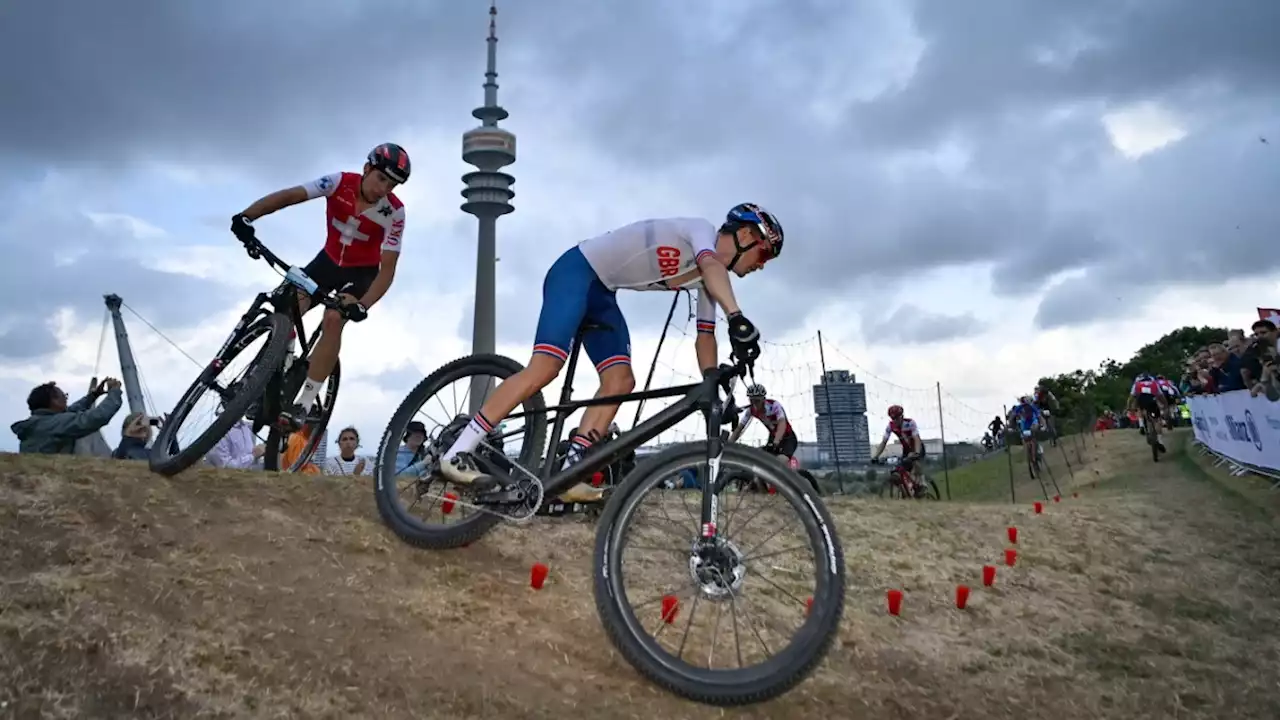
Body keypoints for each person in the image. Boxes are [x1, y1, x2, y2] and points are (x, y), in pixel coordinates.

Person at [437, 205, 783, 503]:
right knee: (545, 367)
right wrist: (736, 317)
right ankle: (459, 449)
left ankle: (570, 471)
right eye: (764, 253)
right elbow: (711, 269)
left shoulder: (711, 280)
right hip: (576, 271)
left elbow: (705, 337)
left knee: (620, 379)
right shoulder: (700, 232)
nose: (762, 265)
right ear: (746, 235)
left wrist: (712, 386)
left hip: (603, 292)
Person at [230, 143, 411, 431]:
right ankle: (265, 374)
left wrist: (363, 305)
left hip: (361, 274)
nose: (383, 189)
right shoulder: (339, 182)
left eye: (391, 185)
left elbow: (387, 270)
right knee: (285, 305)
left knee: (334, 317)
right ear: (366, 169)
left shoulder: (395, 213)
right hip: (325, 264)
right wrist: (247, 216)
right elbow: (290, 196)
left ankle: (305, 401)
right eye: (381, 179)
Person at [12, 378, 123, 454]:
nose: (66, 399)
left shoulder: (40, 422)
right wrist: (114, 392)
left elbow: (69, 412)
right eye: (64, 396)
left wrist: (93, 396)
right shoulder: (55, 424)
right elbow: (97, 417)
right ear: (54, 402)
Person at [727, 384, 797, 461]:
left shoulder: (774, 405)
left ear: (763, 399)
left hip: (788, 438)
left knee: (780, 460)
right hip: (773, 437)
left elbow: (782, 424)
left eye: (757, 401)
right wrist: (729, 444)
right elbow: (739, 428)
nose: (755, 404)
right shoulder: (751, 410)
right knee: (761, 459)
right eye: (751, 400)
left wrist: (776, 440)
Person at [870, 405, 926, 495]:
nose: (895, 421)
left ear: (902, 417)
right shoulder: (890, 426)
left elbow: (916, 438)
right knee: (900, 471)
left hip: (917, 447)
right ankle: (907, 491)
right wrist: (876, 456)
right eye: (893, 418)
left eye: (897, 418)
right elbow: (884, 442)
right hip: (906, 450)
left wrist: (916, 452)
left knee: (915, 463)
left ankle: (922, 483)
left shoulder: (910, 423)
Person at [1127, 373, 1167, 453]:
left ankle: (1141, 425)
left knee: (1139, 408)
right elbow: (1161, 396)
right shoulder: (1154, 383)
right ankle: (1160, 440)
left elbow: (1131, 398)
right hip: (1152, 402)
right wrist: (1165, 405)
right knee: (1157, 420)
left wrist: (1129, 408)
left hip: (1141, 402)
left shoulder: (1137, 384)